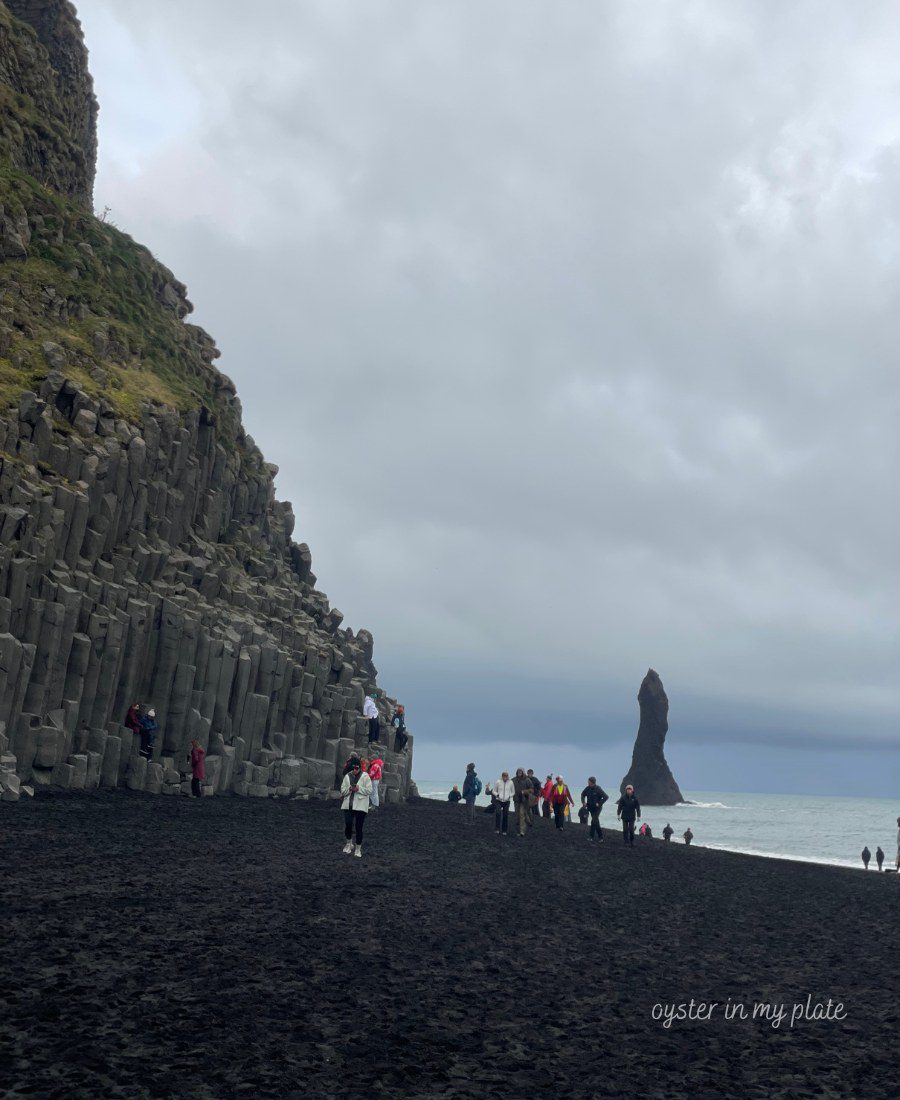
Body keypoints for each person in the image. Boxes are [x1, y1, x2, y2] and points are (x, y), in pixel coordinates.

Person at [341, 759, 373, 858]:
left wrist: (359, 788)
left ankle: (358, 849)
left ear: (359, 767)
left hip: (361, 806)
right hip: (348, 805)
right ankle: (348, 844)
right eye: (353, 768)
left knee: (359, 827)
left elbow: (369, 790)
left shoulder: (365, 776)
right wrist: (349, 789)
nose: (354, 770)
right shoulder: (347, 776)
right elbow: (342, 790)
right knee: (348, 825)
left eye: (356, 768)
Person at [581, 777, 609, 842]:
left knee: (593, 821)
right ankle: (599, 837)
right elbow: (582, 794)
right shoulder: (587, 788)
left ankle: (595, 837)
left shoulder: (598, 789)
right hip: (590, 808)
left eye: (589, 782)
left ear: (592, 782)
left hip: (597, 808)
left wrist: (599, 803)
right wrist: (583, 802)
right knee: (596, 821)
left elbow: (606, 797)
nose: (588, 783)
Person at [513, 768, 534, 837]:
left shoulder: (527, 780)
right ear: (517, 772)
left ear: (523, 772)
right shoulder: (513, 780)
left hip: (524, 800)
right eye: (518, 771)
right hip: (516, 800)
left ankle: (522, 831)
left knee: (521, 814)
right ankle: (523, 825)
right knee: (517, 816)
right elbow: (508, 787)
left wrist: (525, 791)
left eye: (521, 771)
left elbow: (532, 789)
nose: (519, 772)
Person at [493, 771, 515, 836]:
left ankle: (504, 830)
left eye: (506, 776)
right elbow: (494, 791)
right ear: (502, 776)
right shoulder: (498, 782)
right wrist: (497, 795)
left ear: (508, 776)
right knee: (498, 814)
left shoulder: (511, 782)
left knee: (505, 815)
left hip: (507, 801)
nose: (505, 777)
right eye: (504, 776)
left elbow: (513, 792)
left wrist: (509, 796)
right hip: (498, 800)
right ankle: (497, 829)